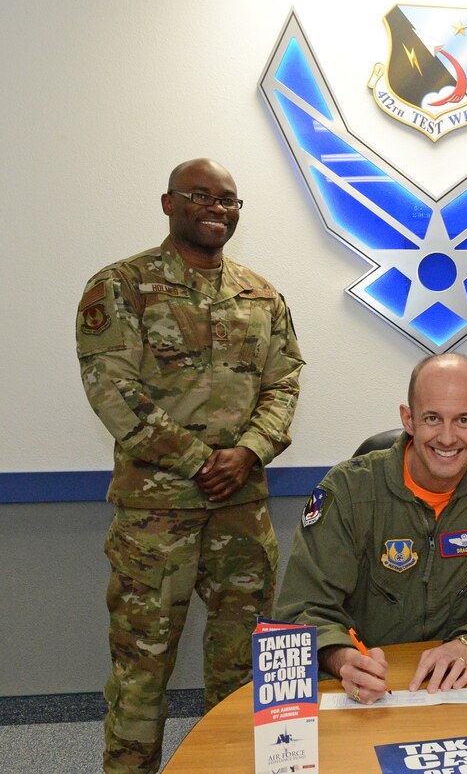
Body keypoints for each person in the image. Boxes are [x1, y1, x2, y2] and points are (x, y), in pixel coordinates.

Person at [76, 158, 304, 774]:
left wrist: (250, 451)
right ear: (168, 202)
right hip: (157, 518)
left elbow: (284, 383)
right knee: (142, 669)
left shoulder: (261, 293)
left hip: (241, 514)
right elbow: (112, 389)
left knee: (245, 670)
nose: (215, 208)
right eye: (199, 196)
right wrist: (203, 461)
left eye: (228, 200)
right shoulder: (122, 285)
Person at [276, 354, 467, 703]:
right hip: (372, 688)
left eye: (463, 420)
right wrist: (342, 658)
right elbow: (301, 611)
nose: (447, 438)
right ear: (408, 419)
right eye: (432, 418)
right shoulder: (349, 489)